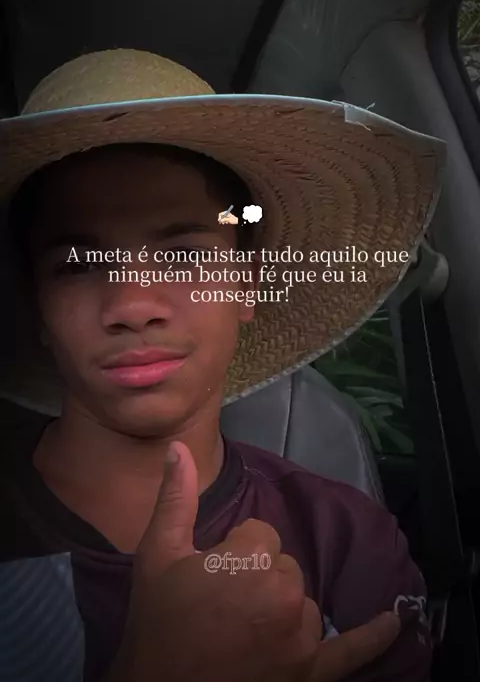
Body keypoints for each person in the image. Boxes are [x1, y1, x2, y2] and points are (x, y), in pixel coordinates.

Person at [0, 49, 445, 682]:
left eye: (184, 257)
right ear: (37, 307)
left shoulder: (344, 540)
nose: (133, 306)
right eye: (76, 265)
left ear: (247, 285)